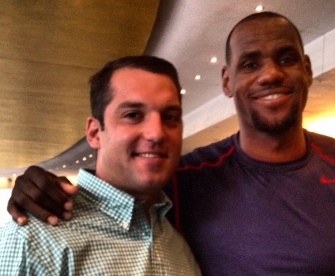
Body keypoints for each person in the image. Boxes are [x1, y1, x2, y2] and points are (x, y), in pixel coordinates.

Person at [7, 12, 335, 276]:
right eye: (250, 63)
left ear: (307, 69)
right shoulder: (185, 179)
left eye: (287, 58)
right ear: (226, 81)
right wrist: (34, 190)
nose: (271, 74)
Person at [0, 56, 201, 275]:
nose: (157, 133)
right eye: (133, 115)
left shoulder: (177, 243)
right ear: (95, 133)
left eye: (170, 117)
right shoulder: (31, 241)